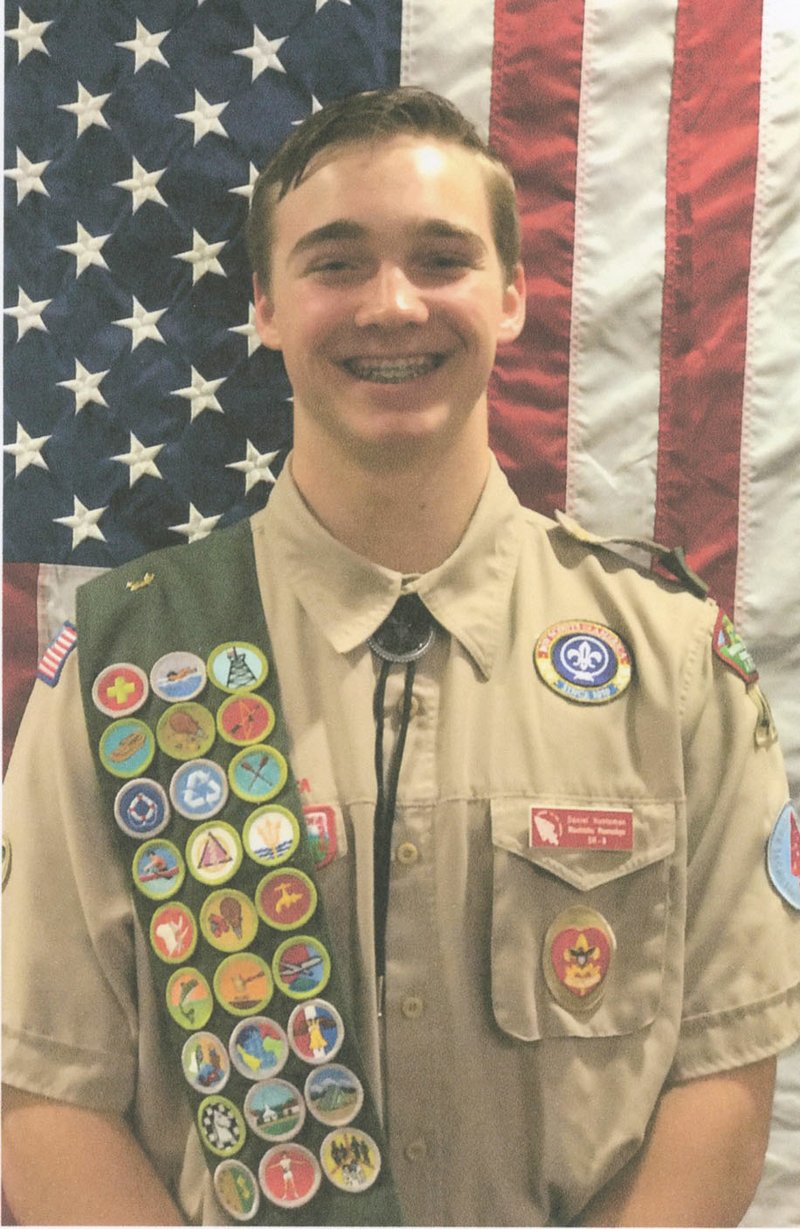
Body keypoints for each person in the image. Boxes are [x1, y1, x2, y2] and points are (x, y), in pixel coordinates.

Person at [2, 86, 799, 1226]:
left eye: (440, 258)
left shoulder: (664, 656)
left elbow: (722, 1073)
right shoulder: (130, 666)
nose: (391, 304)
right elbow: (43, 1088)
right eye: (335, 263)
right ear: (268, 306)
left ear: (512, 294)